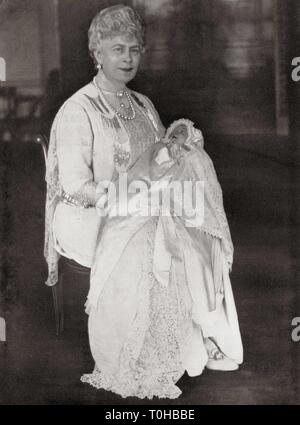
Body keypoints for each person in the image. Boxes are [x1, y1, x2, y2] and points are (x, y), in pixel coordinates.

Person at [45, 4, 243, 399]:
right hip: (88, 212)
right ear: (96, 52)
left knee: (194, 227)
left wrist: (177, 153)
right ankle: (142, 354)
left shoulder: (142, 105)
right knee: (158, 233)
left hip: (140, 205)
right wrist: (124, 198)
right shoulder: (78, 109)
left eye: (134, 50)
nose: (127, 58)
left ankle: (199, 334)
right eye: (117, 49)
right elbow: (73, 185)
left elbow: (157, 162)